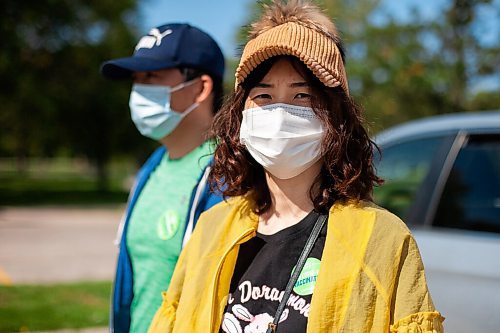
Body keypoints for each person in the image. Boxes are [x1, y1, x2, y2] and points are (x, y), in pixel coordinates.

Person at [148, 1, 444, 332]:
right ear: (240, 114)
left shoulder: (383, 239)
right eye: (263, 96)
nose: (280, 113)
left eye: (302, 96)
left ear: (335, 117)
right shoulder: (211, 229)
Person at [100, 23, 225, 333]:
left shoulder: (230, 175)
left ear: (200, 87)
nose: (138, 90)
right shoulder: (152, 167)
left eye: (151, 77)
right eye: (136, 79)